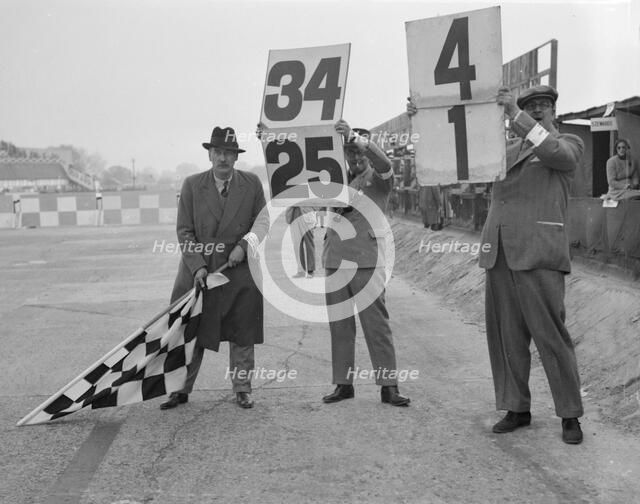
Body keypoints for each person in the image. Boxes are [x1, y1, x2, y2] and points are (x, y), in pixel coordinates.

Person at [479, 85, 585, 444]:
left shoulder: (566, 143)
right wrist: (427, 118)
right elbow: (462, 157)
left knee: (551, 337)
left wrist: (516, 114)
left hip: (539, 252)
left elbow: (556, 153)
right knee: (507, 337)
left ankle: (570, 413)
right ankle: (516, 407)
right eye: (531, 106)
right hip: (501, 253)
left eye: (544, 106)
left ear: (554, 112)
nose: (538, 110)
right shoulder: (504, 152)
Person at [160, 126, 269, 410]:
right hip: (202, 273)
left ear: (236, 157)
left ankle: (243, 389)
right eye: (218, 152)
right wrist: (197, 267)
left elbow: (262, 222)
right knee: (192, 331)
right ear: (209, 154)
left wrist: (243, 246)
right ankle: (179, 389)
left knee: (242, 331)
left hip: (239, 272)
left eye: (229, 153)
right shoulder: (192, 185)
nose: (223, 158)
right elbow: (185, 231)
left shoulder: (252, 184)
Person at [321, 120, 410, 407]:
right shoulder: (335, 180)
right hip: (336, 259)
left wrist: (358, 139)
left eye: (359, 151)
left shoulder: (380, 178)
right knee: (340, 326)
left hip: (367, 261)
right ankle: (343, 384)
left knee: (376, 327)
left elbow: (384, 163)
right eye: (350, 152)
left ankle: (389, 386)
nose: (356, 157)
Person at [285, 205, 316, 278]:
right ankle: (301, 270)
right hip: (293, 215)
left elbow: (317, 202)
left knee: (309, 244)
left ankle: (310, 270)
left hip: (307, 215)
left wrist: (311, 207)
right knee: (297, 244)